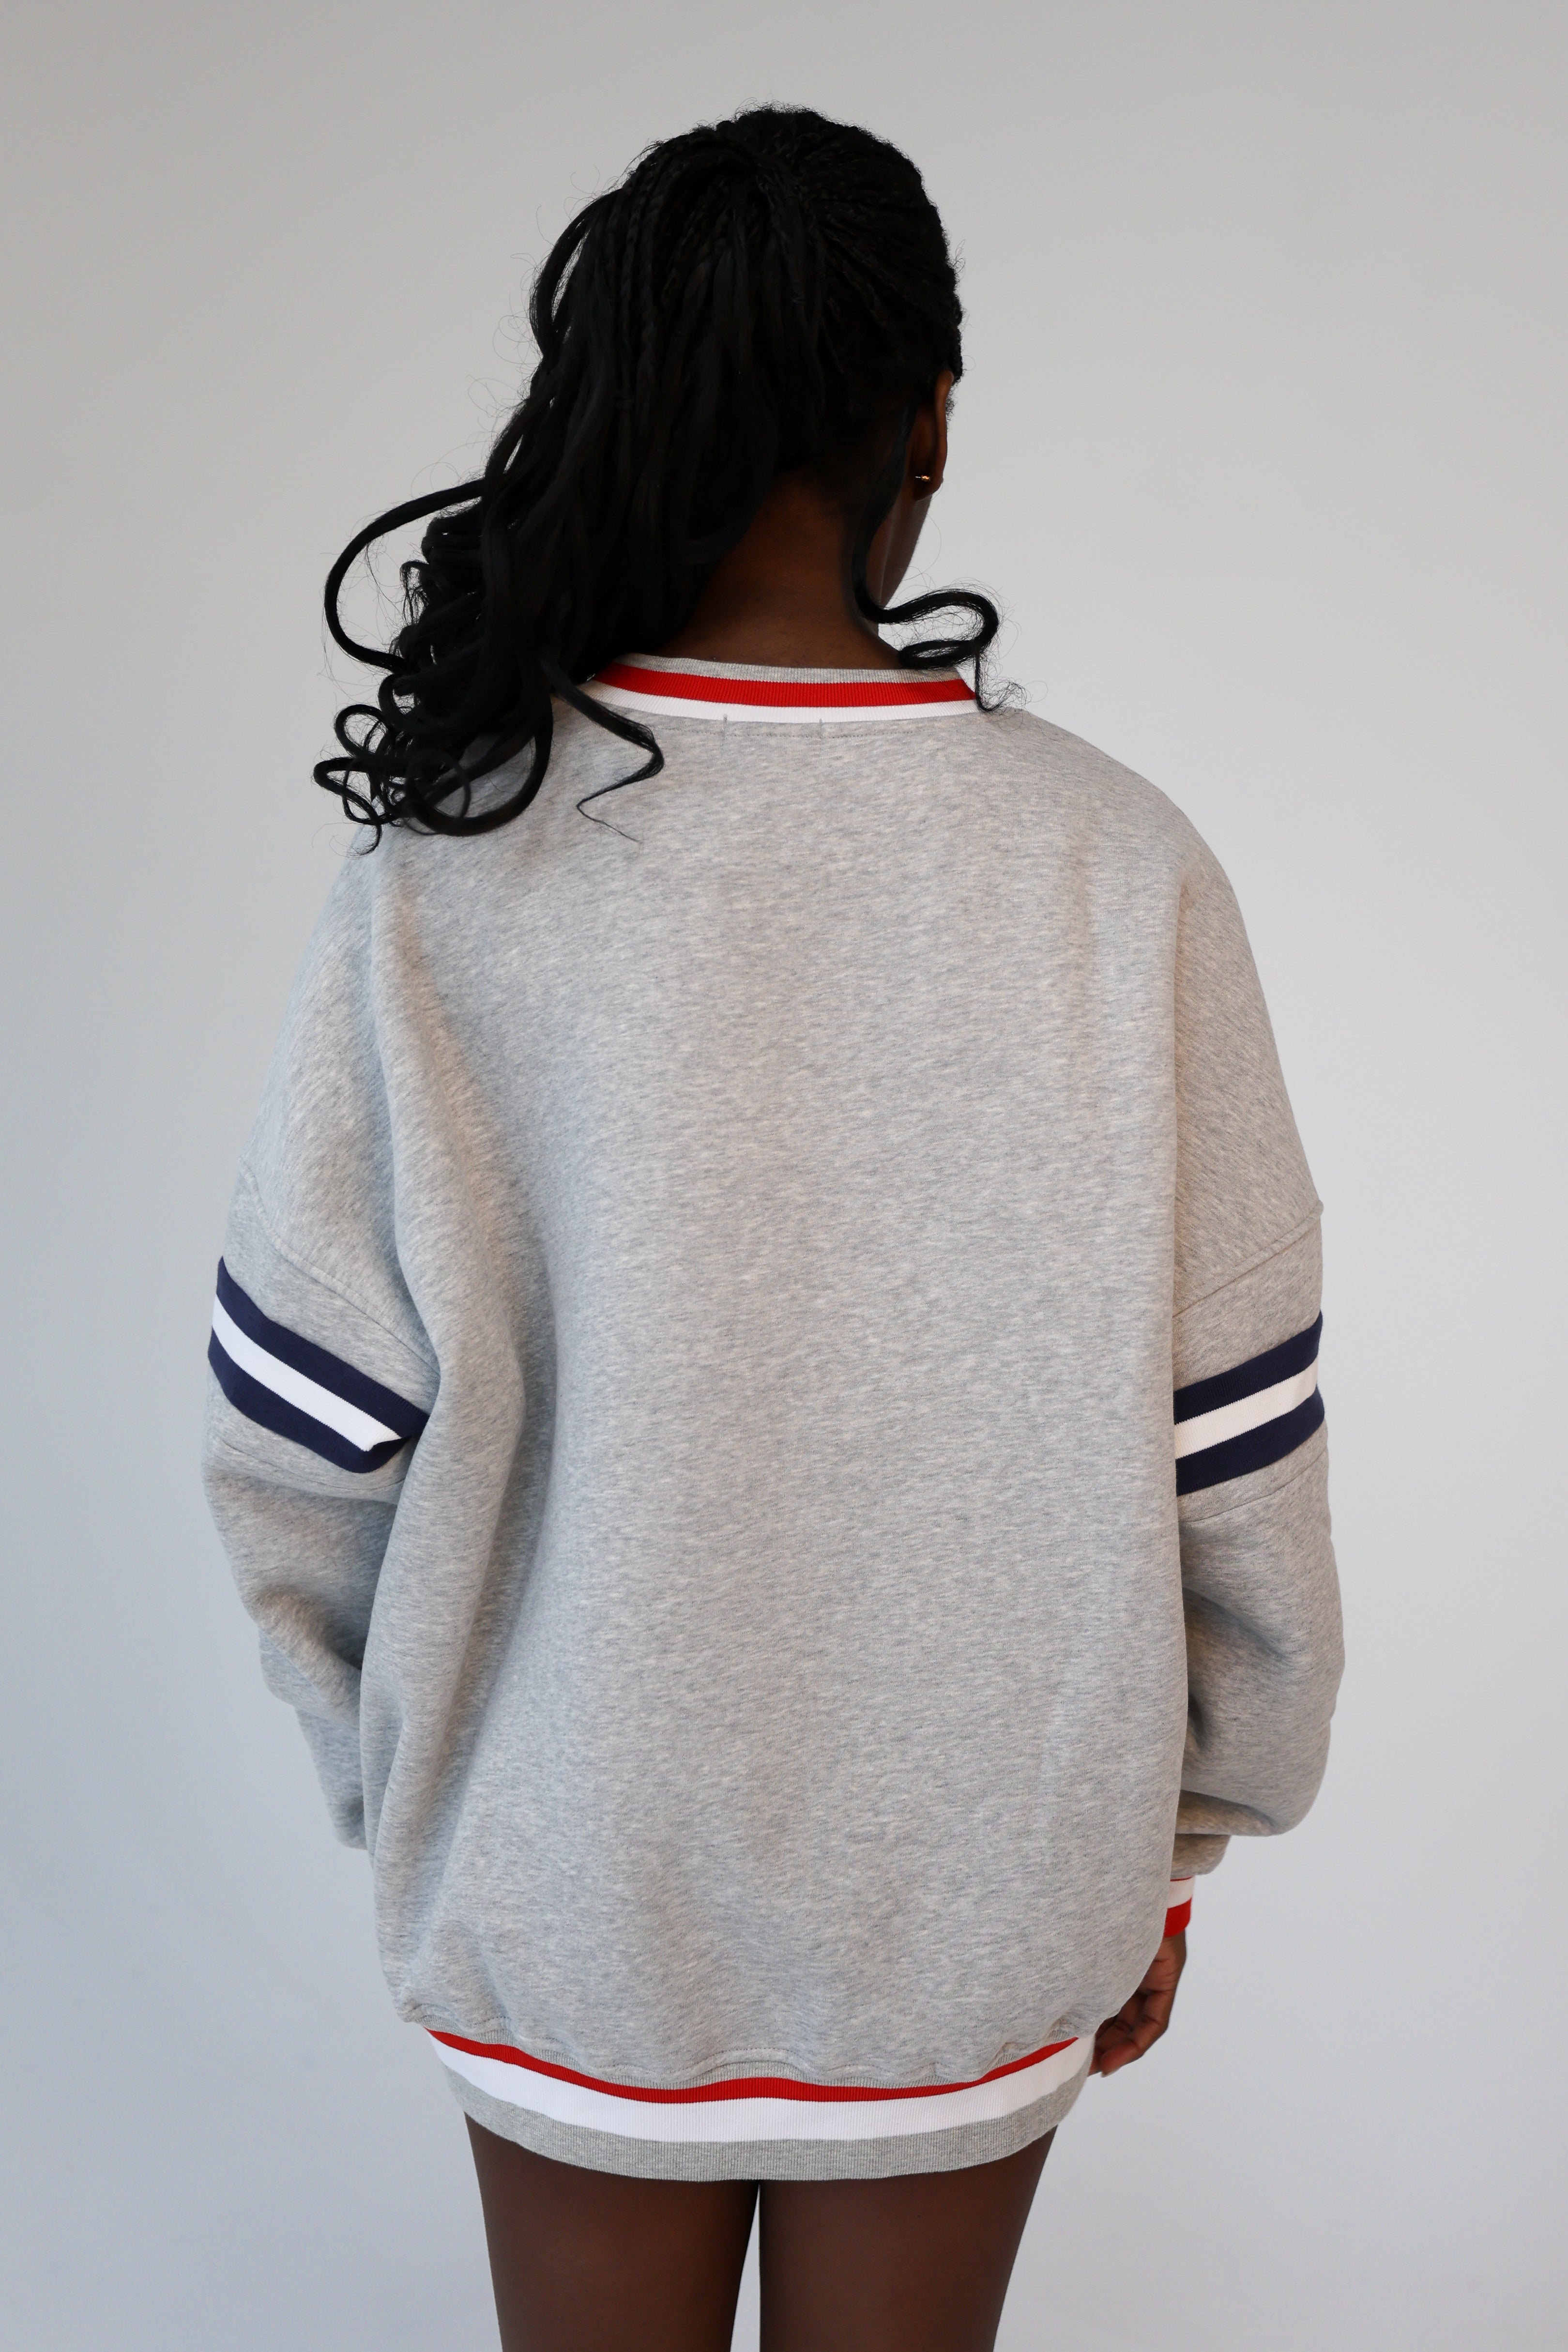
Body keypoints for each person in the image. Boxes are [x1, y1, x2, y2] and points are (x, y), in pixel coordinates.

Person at [201, 105, 1344, 2352]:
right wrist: (1167, 1848)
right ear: (931, 422)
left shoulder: (447, 876)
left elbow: (299, 1441)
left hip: (568, 1897)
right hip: (983, 1905)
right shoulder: (1120, 869)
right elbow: (1238, 1452)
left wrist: (430, 1794)